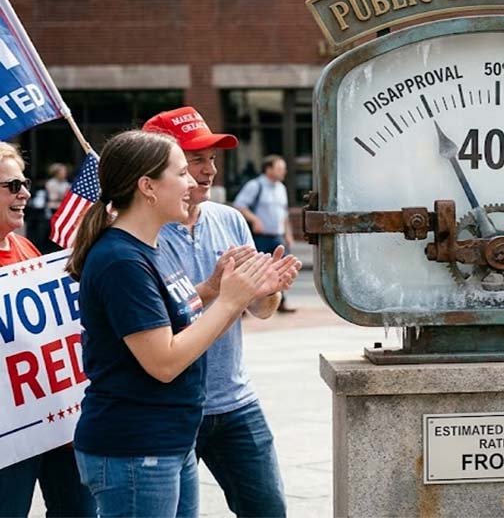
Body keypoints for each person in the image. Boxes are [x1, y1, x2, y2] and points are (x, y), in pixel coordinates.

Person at [66, 130, 289, 517]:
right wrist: (231, 299)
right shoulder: (122, 261)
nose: (195, 181)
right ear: (147, 187)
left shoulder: (147, 247)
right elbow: (165, 362)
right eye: (183, 172)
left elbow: (182, 323)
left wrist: (230, 289)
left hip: (169, 439)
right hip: (136, 446)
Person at [144, 107, 300, 517]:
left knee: (268, 510)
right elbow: (149, 320)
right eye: (196, 159)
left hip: (235, 400)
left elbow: (261, 311)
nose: (209, 170)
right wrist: (213, 290)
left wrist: (270, 291)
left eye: (212, 159)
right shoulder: (140, 234)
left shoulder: (229, 220)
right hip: (172, 408)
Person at [0, 144, 95, 518]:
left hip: (57, 426)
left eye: (23, 182)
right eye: (12, 185)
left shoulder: (25, 248)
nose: (24, 192)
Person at [233, 155, 296, 313]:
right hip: (260, 237)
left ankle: (280, 302)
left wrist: (288, 234)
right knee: (255, 271)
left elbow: (284, 213)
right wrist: (255, 220)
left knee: (282, 269)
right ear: (268, 169)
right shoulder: (255, 185)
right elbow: (239, 205)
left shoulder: (281, 187)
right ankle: (244, 305)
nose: (284, 171)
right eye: (280, 168)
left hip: (277, 236)